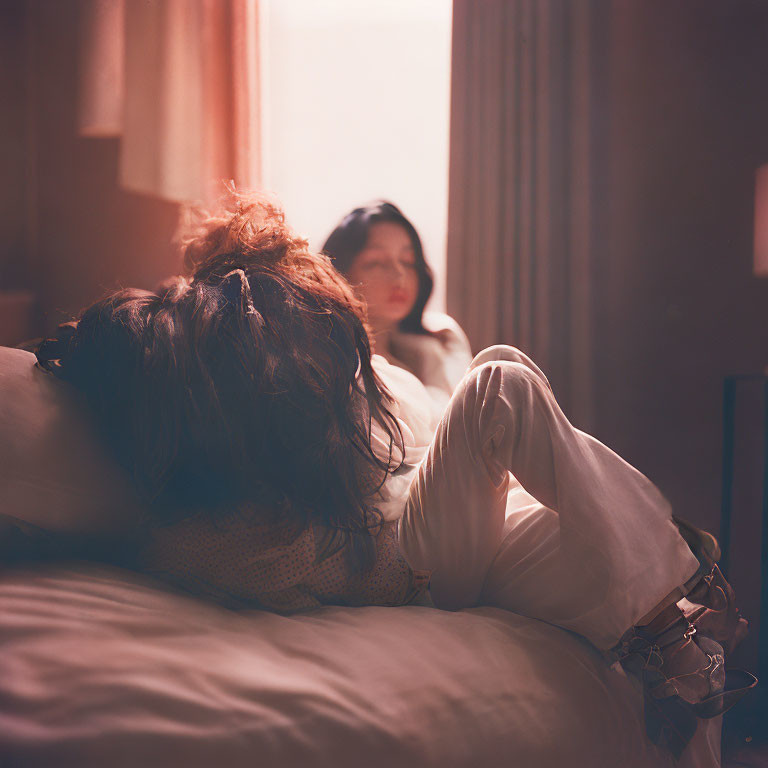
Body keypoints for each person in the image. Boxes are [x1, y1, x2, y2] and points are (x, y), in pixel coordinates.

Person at [35, 192, 750, 759]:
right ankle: (679, 589)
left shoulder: (383, 366)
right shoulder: (278, 406)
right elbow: (238, 532)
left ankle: (677, 624)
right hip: (423, 552)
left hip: (481, 526)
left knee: (672, 645)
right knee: (500, 376)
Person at [322, 202, 472, 412]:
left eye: (408, 262)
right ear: (340, 273)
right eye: (376, 263)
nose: (399, 276)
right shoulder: (338, 369)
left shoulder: (438, 347)